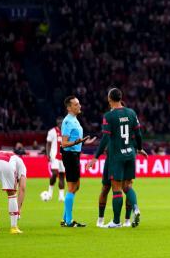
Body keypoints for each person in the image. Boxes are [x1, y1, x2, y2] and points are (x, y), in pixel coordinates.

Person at [88, 88, 147, 228]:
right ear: (121, 97)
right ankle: (136, 208)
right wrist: (139, 148)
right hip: (130, 154)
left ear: (109, 99)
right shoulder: (131, 113)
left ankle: (116, 221)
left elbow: (105, 138)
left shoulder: (109, 116)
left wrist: (96, 156)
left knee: (116, 189)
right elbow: (138, 135)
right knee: (127, 186)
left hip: (116, 156)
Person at [61, 95, 96, 228]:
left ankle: (65, 218)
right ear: (69, 107)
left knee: (76, 186)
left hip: (75, 154)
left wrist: (85, 142)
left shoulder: (74, 120)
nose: (79, 106)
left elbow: (76, 139)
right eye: (76, 104)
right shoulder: (68, 122)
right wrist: (76, 142)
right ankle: (69, 221)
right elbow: (64, 143)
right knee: (71, 187)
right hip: (69, 155)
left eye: (79, 103)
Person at [0, 150, 27, 234]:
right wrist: (18, 209)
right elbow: (22, 188)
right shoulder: (21, 163)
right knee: (12, 194)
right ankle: (14, 228)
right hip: (6, 164)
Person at [45, 116, 65, 201]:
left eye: (62, 122)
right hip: (54, 156)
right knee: (54, 173)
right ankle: (50, 193)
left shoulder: (66, 132)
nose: (60, 124)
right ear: (57, 123)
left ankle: (61, 196)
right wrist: (48, 154)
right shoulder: (52, 131)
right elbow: (48, 144)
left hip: (64, 157)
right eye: (59, 122)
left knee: (61, 176)